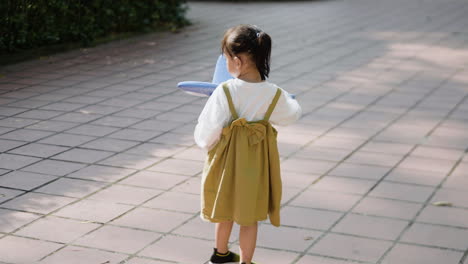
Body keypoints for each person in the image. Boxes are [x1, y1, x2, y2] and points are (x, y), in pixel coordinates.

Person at [194, 24, 301, 264]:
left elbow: (207, 129)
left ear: (237, 61)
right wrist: (286, 99)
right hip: (256, 165)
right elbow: (292, 115)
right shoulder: (273, 93)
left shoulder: (224, 91)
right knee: (249, 218)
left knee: (225, 212)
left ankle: (220, 256)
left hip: (226, 164)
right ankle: (246, 262)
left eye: (225, 59)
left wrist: (207, 143)